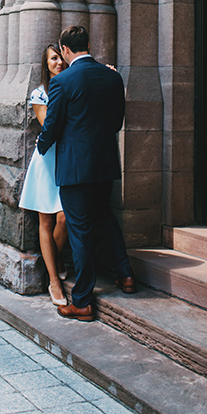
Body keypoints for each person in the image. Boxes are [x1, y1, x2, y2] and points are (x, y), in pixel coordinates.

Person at [36, 25, 135, 322]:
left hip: (75, 166)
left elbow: (51, 125)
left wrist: (42, 147)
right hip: (104, 162)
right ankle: (126, 275)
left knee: (80, 230)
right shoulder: (112, 76)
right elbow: (117, 121)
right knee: (103, 215)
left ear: (65, 50)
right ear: (88, 44)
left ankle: (81, 301)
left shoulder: (63, 81)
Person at [19, 44, 69, 306]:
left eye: (60, 57)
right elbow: (50, 125)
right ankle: (53, 281)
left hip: (67, 159)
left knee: (64, 218)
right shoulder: (41, 93)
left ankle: (55, 257)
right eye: (53, 58)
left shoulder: (71, 85)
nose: (58, 62)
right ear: (46, 64)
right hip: (47, 159)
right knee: (46, 221)